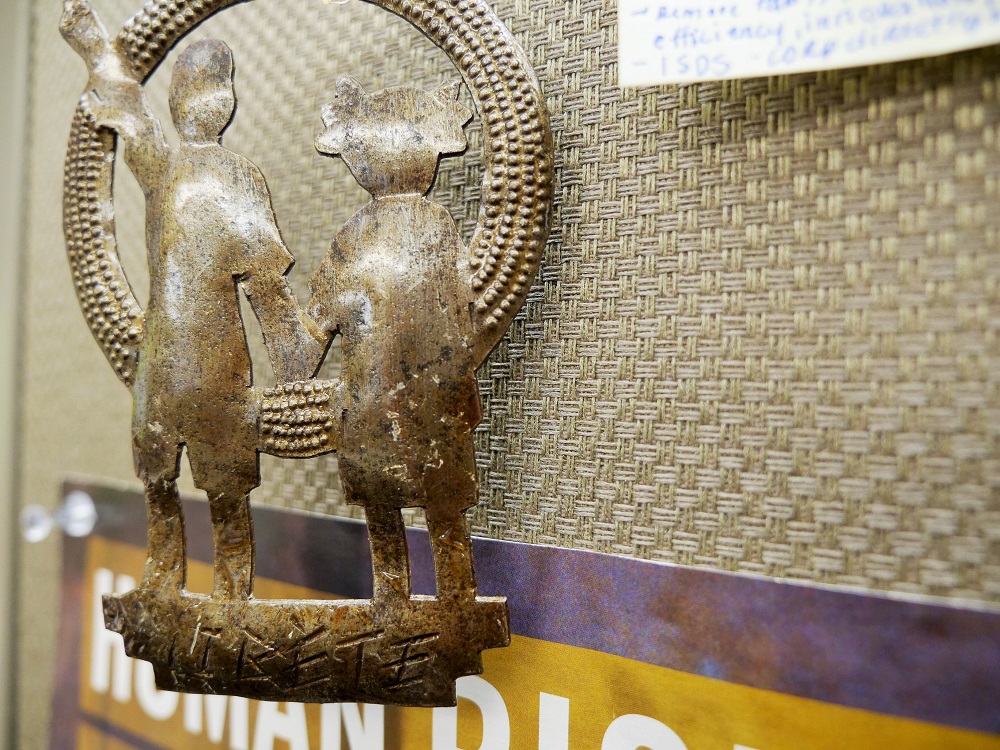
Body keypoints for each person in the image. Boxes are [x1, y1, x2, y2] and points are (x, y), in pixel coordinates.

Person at [61, 0, 325, 599]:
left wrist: (93, 45)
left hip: (174, 372)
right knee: (202, 493)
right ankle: (204, 592)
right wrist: (295, 356)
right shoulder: (227, 177)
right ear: (225, 101)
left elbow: (129, 111)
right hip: (202, 372)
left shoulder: (167, 168)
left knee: (182, 491)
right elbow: (265, 284)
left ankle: (191, 588)